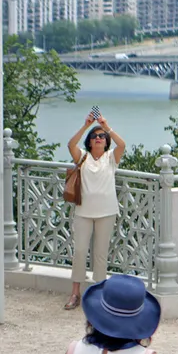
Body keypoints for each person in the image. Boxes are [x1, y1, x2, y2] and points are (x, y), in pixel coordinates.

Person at [65, 115, 125, 310]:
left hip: (106, 212)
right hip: (84, 211)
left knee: (100, 254)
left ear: (106, 141)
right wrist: (86, 126)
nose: (98, 138)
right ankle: (75, 293)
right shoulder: (83, 156)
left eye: (101, 136)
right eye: (95, 136)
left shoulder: (110, 158)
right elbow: (70, 144)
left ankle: (100, 294)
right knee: (80, 251)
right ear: (90, 142)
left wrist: (107, 127)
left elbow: (122, 145)